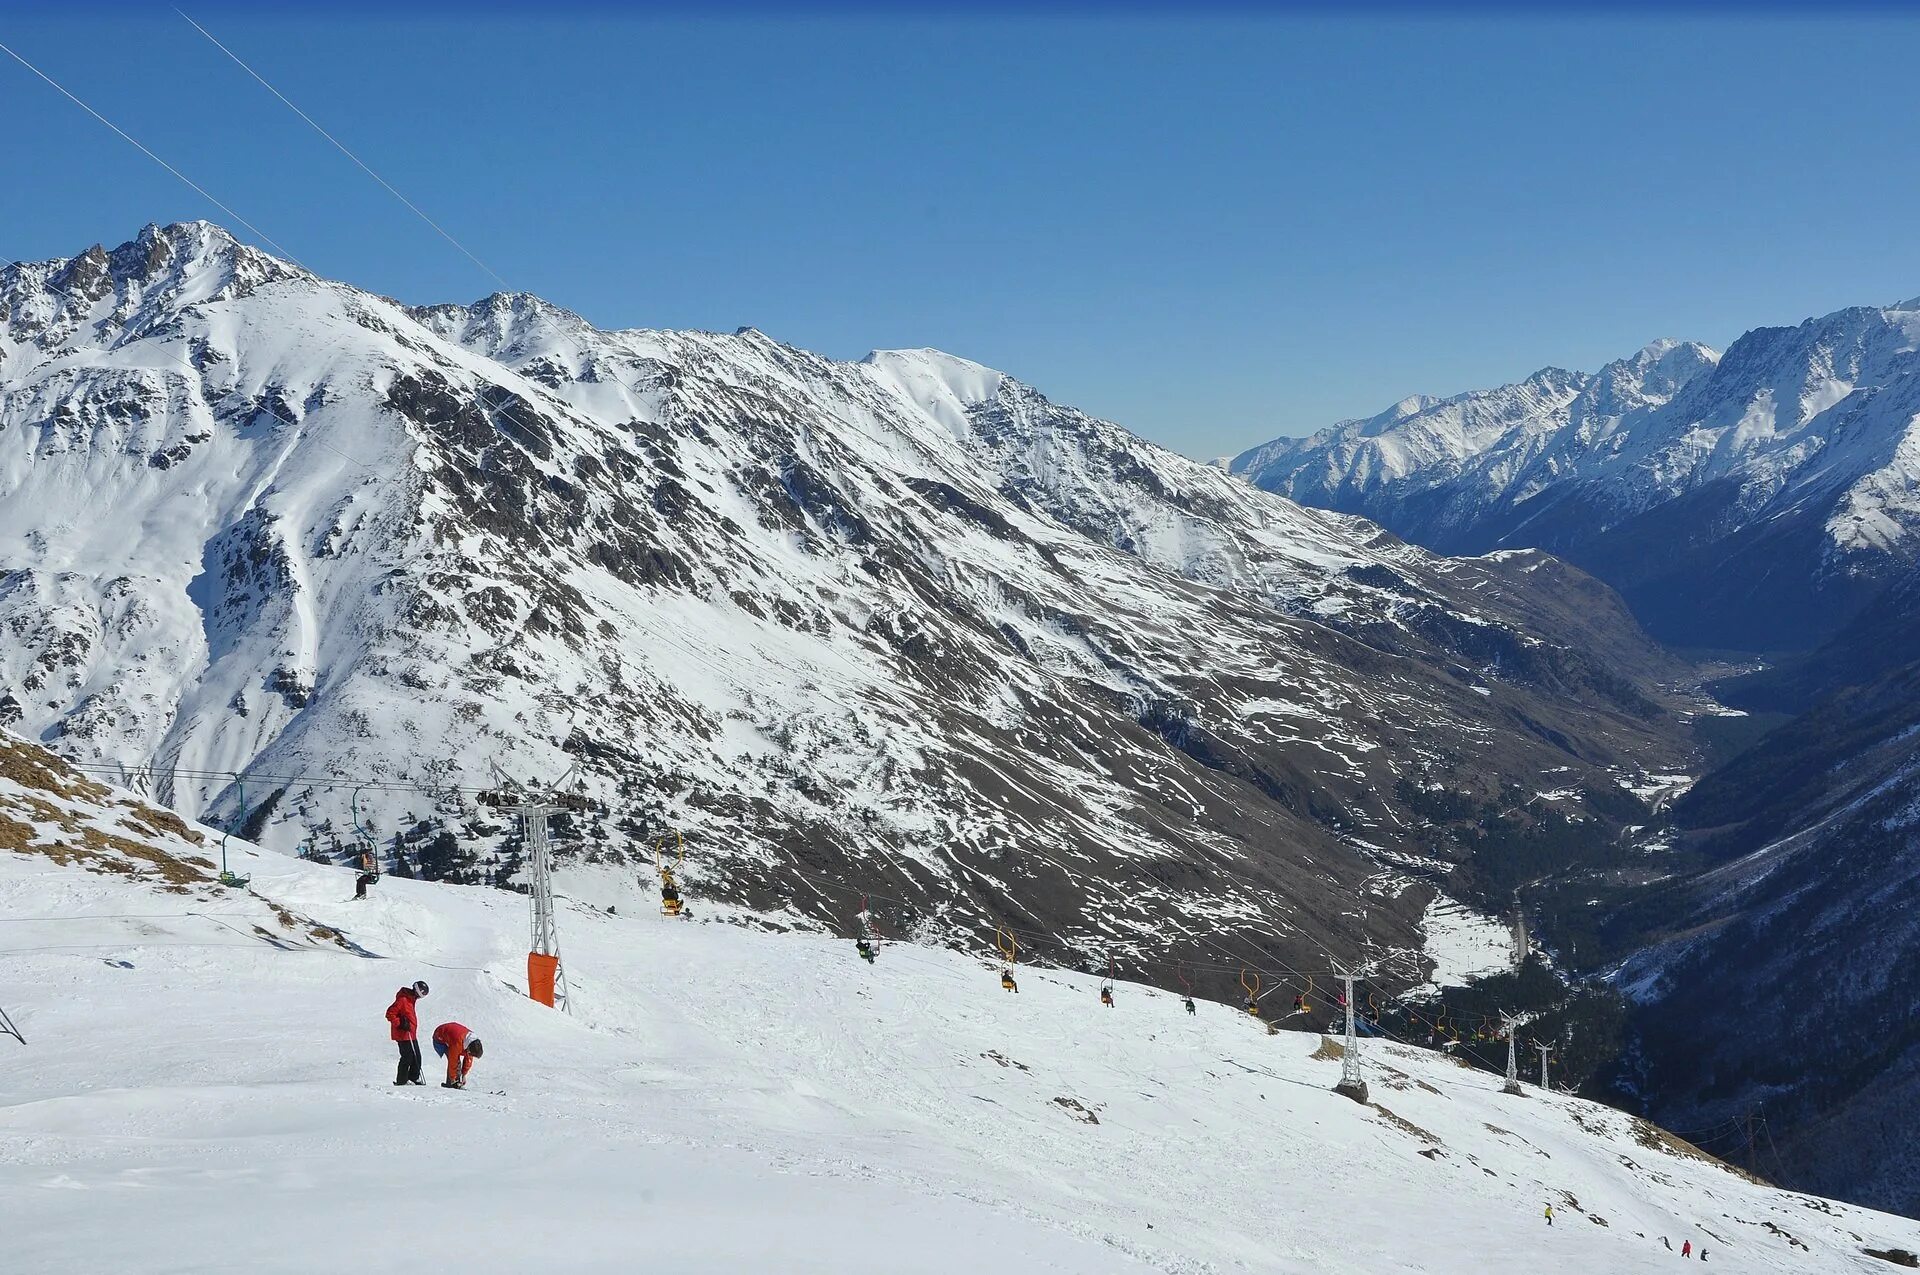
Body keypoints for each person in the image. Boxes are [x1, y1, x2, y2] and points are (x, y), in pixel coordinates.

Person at [385, 980, 429, 1085]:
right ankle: (401, 1081)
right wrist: (400, 1023)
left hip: (411, 1033)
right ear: (417, 991)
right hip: (402, 1034)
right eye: (420, 994)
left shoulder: (411, 999)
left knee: (417, 1056)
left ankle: (413, 1077)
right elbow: (390, 1013)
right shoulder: (403, 999)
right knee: (407, 1057)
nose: (419, 997)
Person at [432, 1020, 484, 1088]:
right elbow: (453, 1061)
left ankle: (455, 1082)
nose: (470, 1054)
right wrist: (453, 1079)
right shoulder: (458, 1042)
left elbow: (469, 1058)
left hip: (453, 1038)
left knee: (458, 1061)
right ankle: (451, 1083)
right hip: (439, 1038)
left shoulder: (472, 1043)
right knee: (456, 1062)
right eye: (469, 1053)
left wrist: (464, 1074)